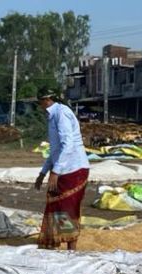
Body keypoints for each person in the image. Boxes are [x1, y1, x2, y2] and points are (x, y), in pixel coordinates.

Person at [34, 90, 90, 250]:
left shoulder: (62, 113)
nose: (39, 106)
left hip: (74, 168)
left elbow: (68, 145)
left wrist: (55, 172)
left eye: (40, 102)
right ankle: (54, 241)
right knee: (55, 205)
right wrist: (42, 173)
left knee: (68, 208)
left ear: (47, 100)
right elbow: (55, 150)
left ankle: (71, 247)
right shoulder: (52, 116)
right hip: (63, 168)